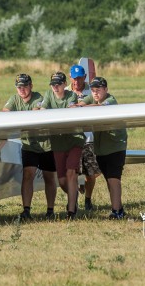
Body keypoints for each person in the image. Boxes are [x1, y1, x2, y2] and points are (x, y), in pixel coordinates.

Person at [3, 74, 57, 220]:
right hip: (28, 144)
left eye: (25, 86)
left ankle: (50, 210)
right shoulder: (14, 99)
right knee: (28, 175)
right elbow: (5, 113)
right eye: (19, 87)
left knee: (49, 177)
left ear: (31, 86)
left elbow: (34, 115)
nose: (22, 90)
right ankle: (26, 209)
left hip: (46, 144)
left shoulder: (39, 98)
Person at [80, 77, 128, 219]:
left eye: (98, 90)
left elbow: (99, 108)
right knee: (109, 180)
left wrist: (82, 107)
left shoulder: (110, 101)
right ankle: (119, 209)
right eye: (93, 90)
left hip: (115, 148)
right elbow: (81, 103)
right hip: (101, 150)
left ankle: (116, 212)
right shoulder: (93, 98)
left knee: (114, 179)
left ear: (106, 90)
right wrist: (78, 105)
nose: (95, 93)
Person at [40, 72, 86, 219]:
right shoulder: (48, 95)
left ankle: (71, 211)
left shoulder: (71, 96)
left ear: (64, 84)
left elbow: (70, 112)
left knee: (70, 173)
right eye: (53, 84)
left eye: (58, 84)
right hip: (57, 142)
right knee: (62, 180)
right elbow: (42, 111)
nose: (55, 86)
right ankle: (74, 195)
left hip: (74, 139)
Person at [67, 65, 102, 210]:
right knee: (72, 173)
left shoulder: (92, 91)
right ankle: (73, 201)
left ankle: (88, 200)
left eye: (80, 78)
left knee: (91, 173)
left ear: (85, 77)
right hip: (71, 140)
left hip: (90, 138)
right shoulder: (66, 91)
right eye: (74, 78)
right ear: (70, 78)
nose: (77, 81)